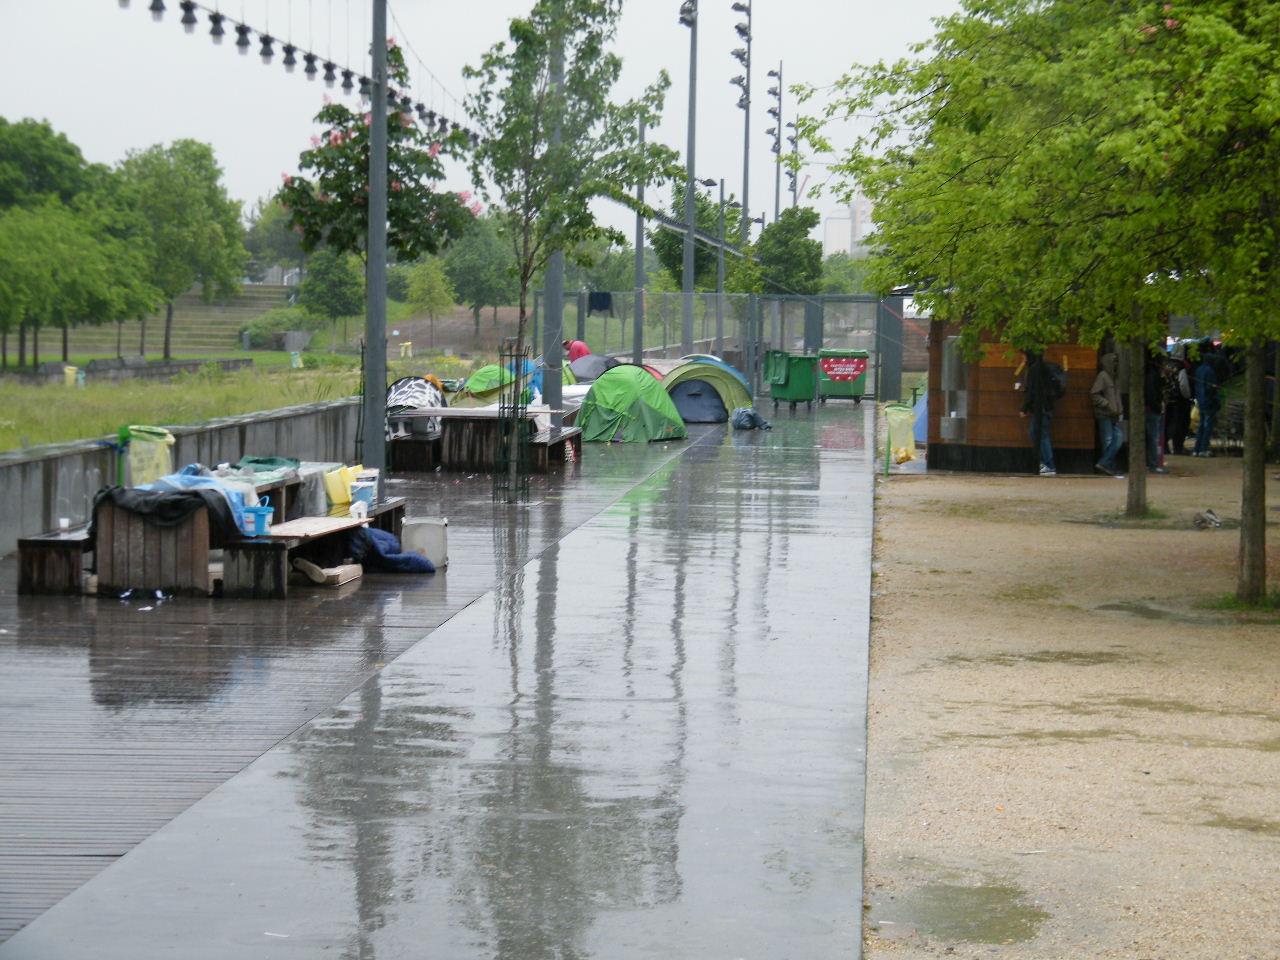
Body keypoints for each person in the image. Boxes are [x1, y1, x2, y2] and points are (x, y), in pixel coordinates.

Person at [1018, 350, 1057, 476]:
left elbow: (1032, 392)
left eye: (1024, 356)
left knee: (1038, 433)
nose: (1023, 359)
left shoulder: (1034, 369)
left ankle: (1048, 464)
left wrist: (1024, 408)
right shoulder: (1041, 368)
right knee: (1039, 433)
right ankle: (1046, 463)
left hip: (1041, 408)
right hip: (1046, 406)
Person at [1090, 352, 1125, 477]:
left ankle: (1106, 464)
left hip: (1113, 414)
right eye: (1114, 361)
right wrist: (1107, 404)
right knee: (1109, 440)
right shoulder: (1103, 376)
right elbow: (1094, 394)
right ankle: (1107, 465)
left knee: (1116, 439)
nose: (1116, 364)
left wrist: (1119, 409)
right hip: (1105, 415)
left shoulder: (1114, 377)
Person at [1192, 339, 1221, 457]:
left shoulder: (1199, 370)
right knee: (1207, 426)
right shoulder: (1210, 371)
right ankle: (1203, 449)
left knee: (1201, 426)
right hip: (1208, 402)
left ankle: (1197, 448)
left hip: (1201, 401)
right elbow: (1211, 387)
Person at [1144, 350, 1170, 473]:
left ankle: (1153, 463)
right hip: (1152, 409)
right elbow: (1152, 393)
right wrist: (1157, 408)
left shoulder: (1151, 373)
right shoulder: (1152, 375)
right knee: (1153, 438)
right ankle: (1154, 464)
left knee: (1152, 438)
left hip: (1151, 408)